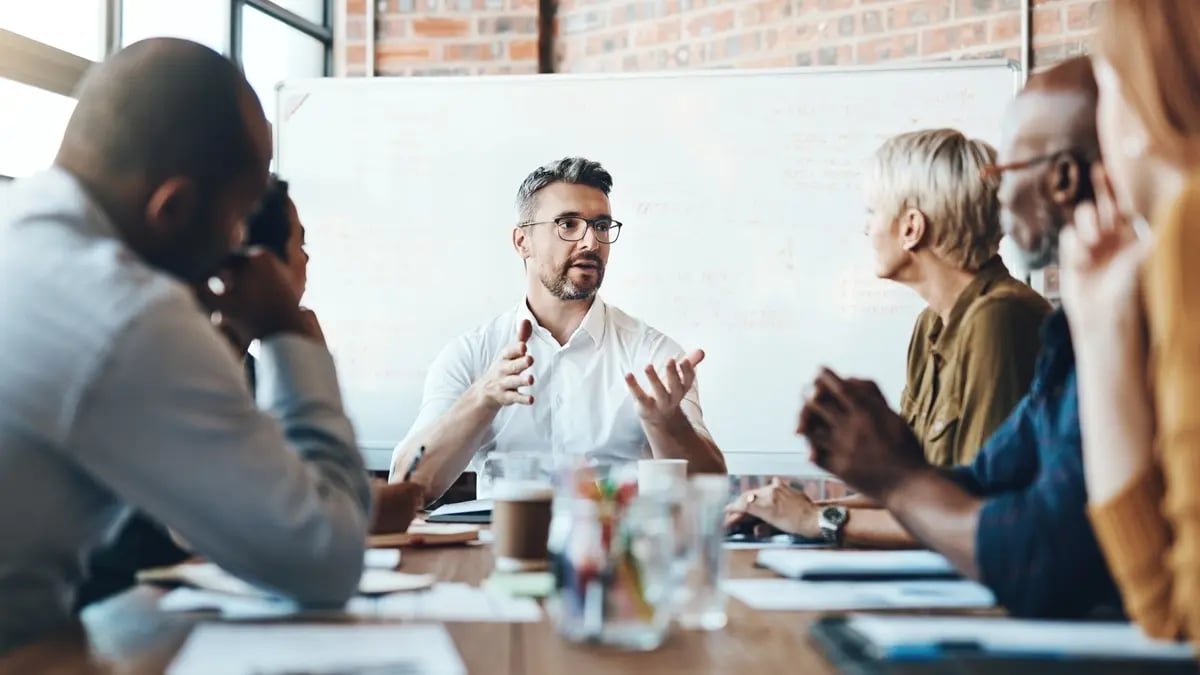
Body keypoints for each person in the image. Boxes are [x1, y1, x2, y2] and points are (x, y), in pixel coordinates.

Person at [0, 39, 371, 652]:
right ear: (172, 209)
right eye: (237, 219)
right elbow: (323, 561)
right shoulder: (126, 311)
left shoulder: (25, 237)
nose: (240, 243)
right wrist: (285, 333)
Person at [794, 56, 1123, 619]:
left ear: (912, 226)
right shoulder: (1068, 329)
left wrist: (828, 515)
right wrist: (830, 496)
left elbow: (1010, 527)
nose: (994, 193)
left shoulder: (1010, 319)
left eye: (1006, 169)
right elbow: (972, 479)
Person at [725, 129, 1049, 547]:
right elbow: (914, 490)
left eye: (872, 212)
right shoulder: (931, 324)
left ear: (911, 227)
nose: (866, 230)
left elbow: (969, 510)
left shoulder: (999, 318)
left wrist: (817, 520)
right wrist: (791, 513)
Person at [390, 157, 726, 498]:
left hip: (615, 547)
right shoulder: (473, 354)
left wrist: (666, 424)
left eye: (601, 225)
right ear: (522, 241)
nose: (591, 243)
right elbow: (407, 485)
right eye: (567, 224)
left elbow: (710, 488)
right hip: (505, 546)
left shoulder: (654, 357)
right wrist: (483, 397)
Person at [74, 175, 319, 610]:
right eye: (299, 244)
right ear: (264, 261)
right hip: (116, 612)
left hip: (198, 598)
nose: (307, 258)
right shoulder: (163, 359)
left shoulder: (253, 373)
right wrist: (305, 357)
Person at [1058, 0, 1200, 643]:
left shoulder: (1189, 223)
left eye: (1108, 87)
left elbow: (1172, 611)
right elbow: (1170, 605)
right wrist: (1100, 326)